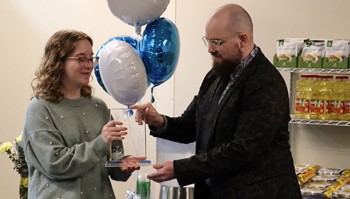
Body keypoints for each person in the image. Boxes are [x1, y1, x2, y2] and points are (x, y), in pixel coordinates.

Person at [131, 4, 302, 199]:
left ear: (242, 40)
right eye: (208, 41)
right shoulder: (216, 76)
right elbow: (192, 125)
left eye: (217, 42)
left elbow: (242, 150)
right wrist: (159, 121)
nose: (210, 49)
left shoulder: (265, 83)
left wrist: (181, 169)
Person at [22, 29, 145, 199]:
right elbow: (54, 163)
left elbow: (110, 164)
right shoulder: (39, 108)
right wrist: (101, 142)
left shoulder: (99, 107)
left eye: (91, 58)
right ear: (59, 62)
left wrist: (122, 166)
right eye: (81, 59)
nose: (88, 65)